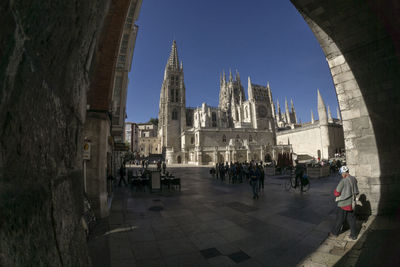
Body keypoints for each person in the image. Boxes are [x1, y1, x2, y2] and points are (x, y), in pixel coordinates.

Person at [330, 166, 359, 240]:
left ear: (344, 173)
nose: (341, 175)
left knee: (340, 219)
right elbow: (356, 191)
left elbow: (336, 193)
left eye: (341, 173)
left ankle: (335, 233)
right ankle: (354, 235)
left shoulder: (343, 181)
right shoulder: (353, 178)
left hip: (343, 203)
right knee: (351, 219)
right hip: (351, 203)